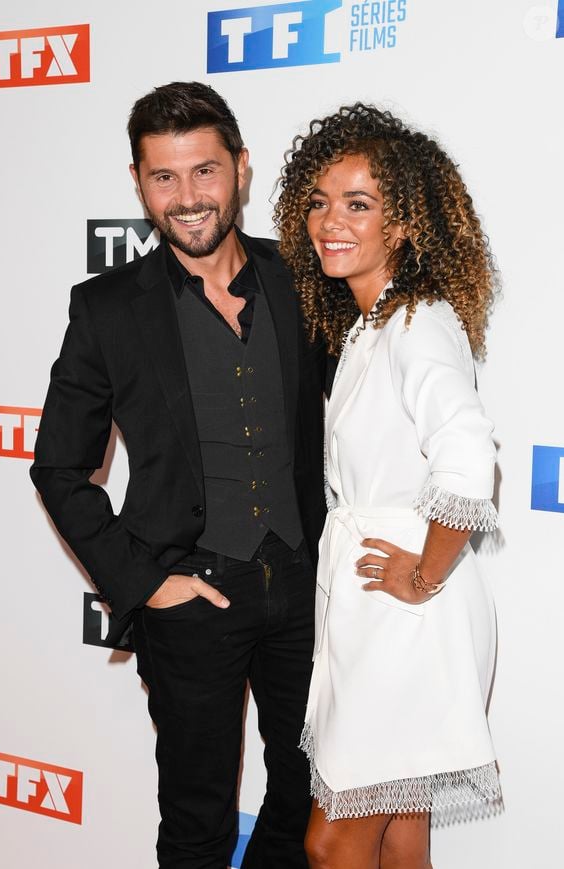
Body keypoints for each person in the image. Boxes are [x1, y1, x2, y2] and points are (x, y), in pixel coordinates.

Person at [31, 81, 331, 869]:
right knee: (197, 820)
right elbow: (58, 465)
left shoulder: (298, 280)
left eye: (204, 171)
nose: (187, 197)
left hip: (304, 589)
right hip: (189, 598)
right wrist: (144, 579)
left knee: (307, 792)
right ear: (138, 182)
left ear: (240, 167)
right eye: (164, 177)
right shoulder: (107, 309)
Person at [274, 103, 502, 868]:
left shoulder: (415, 322)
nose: (329, 221)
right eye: (319, 201)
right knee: (401, 831)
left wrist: (424, 570)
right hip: (386, 600)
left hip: (406, 612)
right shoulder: (377, 320)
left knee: (333, 838)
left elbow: (469, 458)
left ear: (404, 223)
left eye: (359, 204)